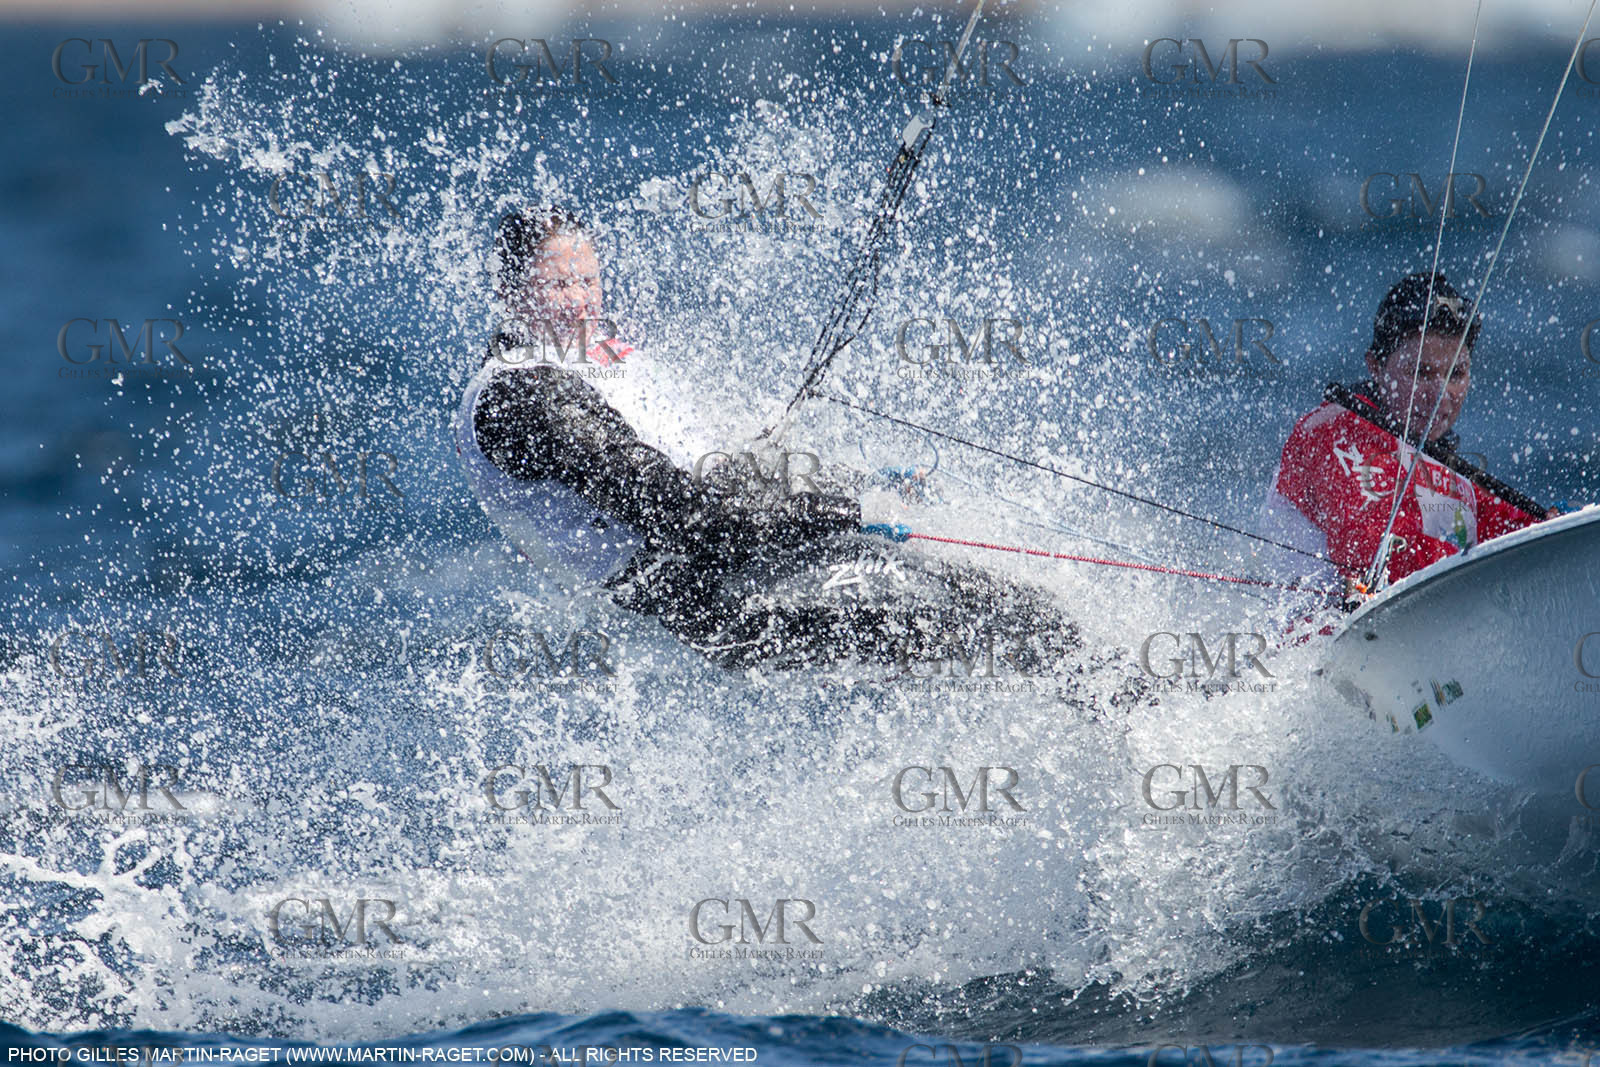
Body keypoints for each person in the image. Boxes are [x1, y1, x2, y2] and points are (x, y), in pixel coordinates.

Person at [453, 205, 1079, 674]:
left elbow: (713, 471)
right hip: (715, 601)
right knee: (977, 629)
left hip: (747, 557)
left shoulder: (601, 354)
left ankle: (1121, 699)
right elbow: (689, 518)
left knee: (1007, 601)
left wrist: (847, 486)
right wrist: (851, 513)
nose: (581, 303)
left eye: (588, 281)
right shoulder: (526, 401)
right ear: (509, 293)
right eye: (559, 286)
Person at [1263, 271, 1551, 597]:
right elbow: (1373, 558)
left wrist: (1556, 530)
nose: (1441, 394)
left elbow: (1517, 542)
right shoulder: (1334, 431)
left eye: (1455, 373)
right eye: (1421, 372)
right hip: (1326, 643)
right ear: (1376, 366)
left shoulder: (1449, 472)